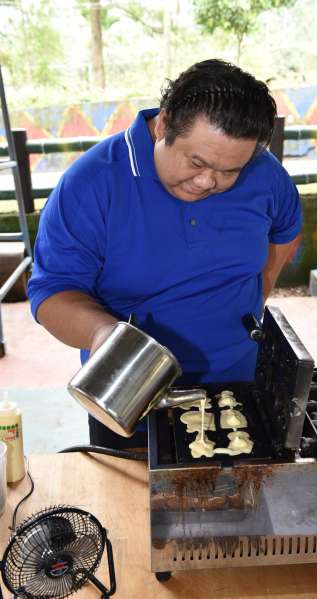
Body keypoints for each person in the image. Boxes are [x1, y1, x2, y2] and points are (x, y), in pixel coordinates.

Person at [27, 59, 302, 449]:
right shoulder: (92, 183)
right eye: (197, 162)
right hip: (132, 400)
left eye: (230, 171)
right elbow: (52, 294)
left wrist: (258, 294)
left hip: (239, 391)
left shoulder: (264, 172)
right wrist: (102, 333)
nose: (209, 182)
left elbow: (286, 229)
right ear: (165, 123)